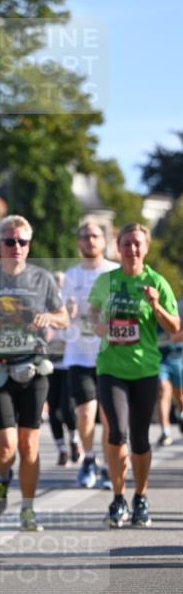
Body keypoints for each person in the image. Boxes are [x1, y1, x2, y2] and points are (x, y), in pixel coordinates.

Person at [0, 215, 69, 531]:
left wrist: (49, 318)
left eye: (22, 241)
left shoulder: (42, 278)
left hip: (34, 368)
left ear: (29, 245)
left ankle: (27, 508)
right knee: (5, 447)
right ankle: (2, 476)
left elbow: (64, 317)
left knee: (29, 445)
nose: (16, 247)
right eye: (10, 241)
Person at [88, 223, 180, 527]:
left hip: (145, 369)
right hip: (111, 367)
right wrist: (98, 324)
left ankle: (140, 497)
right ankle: (118, 498)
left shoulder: (156, 281)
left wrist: (156, 305)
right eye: (126, 244)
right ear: (118, 247)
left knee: (140, 438)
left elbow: (175, 329)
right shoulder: (107, 280)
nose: (132, 249)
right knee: (116, 432)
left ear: (146, 247)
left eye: (137, 244)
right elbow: (92, 312)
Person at [61, 220, 119, 489]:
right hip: (79, 355)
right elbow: (61, 317)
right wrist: (68, 312)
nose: (90, 241)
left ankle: (107, 466)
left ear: (104, 241)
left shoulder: (115, 272)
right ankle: (88, 459)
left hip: (110, 355)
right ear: (78, 242)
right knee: (85, 414)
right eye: (85, 236)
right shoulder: (70, 276)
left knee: (108, 417)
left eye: (95, 236)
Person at [46, 271, 80, 468]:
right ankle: (61, 449)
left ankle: (74, 439)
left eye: (61, 282)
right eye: (55, 282)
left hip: (68, 364)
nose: (58, 285)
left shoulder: (71, 302)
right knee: (53, 409)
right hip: (50, 365)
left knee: (67, 408)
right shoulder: (44, 303)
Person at [156, 299, 183, 445]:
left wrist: (176, 335)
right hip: (159, 357)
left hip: (177, 356)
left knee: (180, 396)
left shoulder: (179, 306)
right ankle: (165, 431)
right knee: (163, 391)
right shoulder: (149, 306)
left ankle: (180, 414)